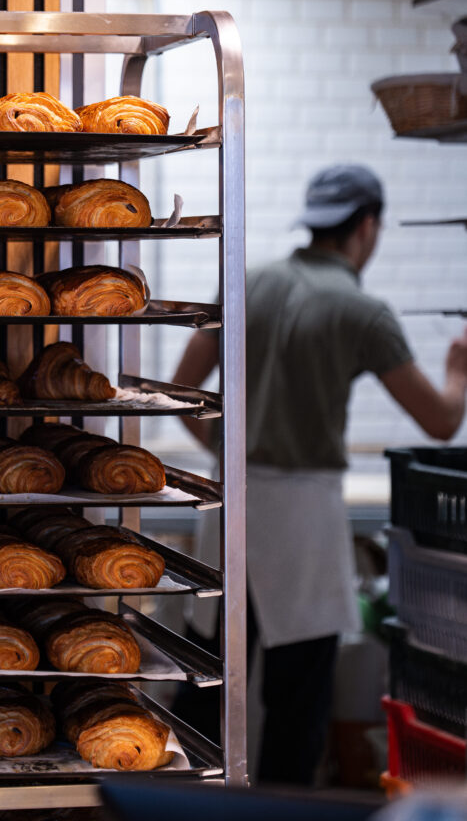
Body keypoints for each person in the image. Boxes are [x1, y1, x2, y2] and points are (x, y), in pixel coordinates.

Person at [171, 163, 467, 786]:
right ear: (366, 227)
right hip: (303, 516)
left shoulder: (246, 284)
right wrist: (460, 370)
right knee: (298, 697)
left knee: (207, 680)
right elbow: (440, 421)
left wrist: (227, 452)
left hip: (230, 509)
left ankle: (173, 799)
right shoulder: (362, 310)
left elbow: (178, 391)